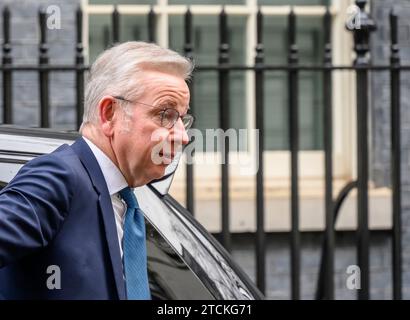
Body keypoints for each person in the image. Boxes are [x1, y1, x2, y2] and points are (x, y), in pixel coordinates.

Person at [0, 41, 194, 299]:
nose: (182, 136)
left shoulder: (123, 197)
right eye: (165, 114)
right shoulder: (59, 177)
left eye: (182, 118)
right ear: (110, 113)